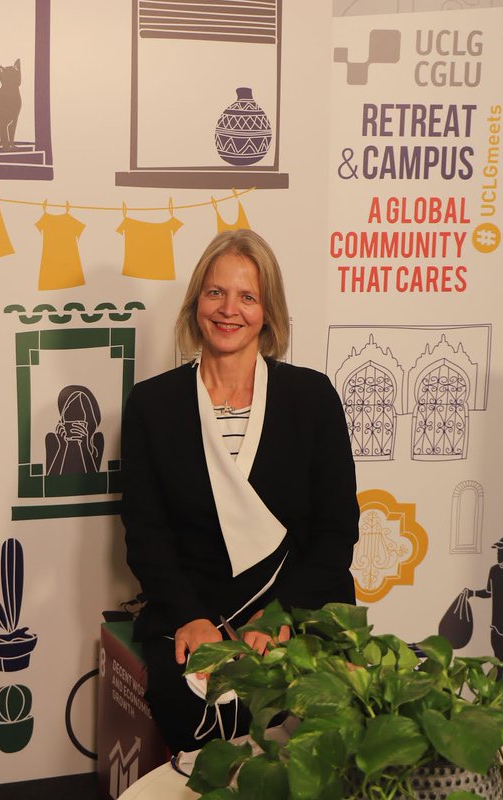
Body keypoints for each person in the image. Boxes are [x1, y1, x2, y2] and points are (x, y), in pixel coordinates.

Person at [121, 230, 360, 754]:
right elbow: (146, 534)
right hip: (194, 609)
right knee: (188, 702)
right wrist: (190, 617)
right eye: (216, 293)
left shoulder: (312, 397)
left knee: (333, 711)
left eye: (247, 296)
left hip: (299, 605)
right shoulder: (152, 405)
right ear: (196, 303)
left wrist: (281, 615)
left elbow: (338, 530)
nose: (229, 310)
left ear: (268, 312)